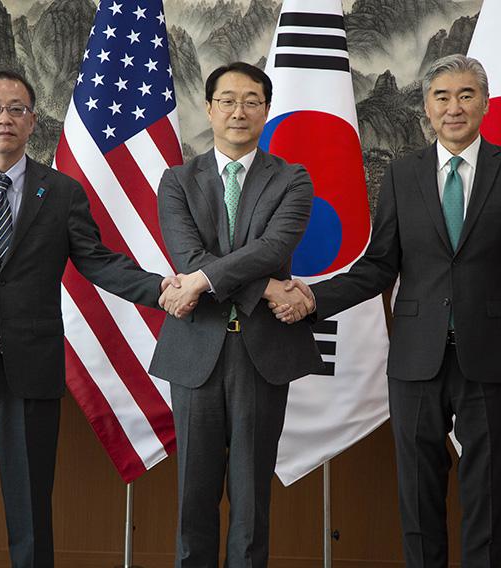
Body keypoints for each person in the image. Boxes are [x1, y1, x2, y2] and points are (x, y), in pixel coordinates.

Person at [274, 54, 501, 568]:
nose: (454, 107)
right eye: (442, 97)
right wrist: (314, 298)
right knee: (418, 503)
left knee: (485, 499)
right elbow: (379, 266)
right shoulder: (403, 174)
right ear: (426, 108)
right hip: (415, 362)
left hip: (490, 362)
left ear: (485, 103)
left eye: (466, 95)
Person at [0, 70, 177, 568]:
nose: (4, 118)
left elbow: (97, 260)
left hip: (31, 372)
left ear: (33, 121)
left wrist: (159, 289)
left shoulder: (61, 192)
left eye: (16, 108)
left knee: (31, 511)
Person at [150, 61, 323, 567]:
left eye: (251, 100)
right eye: (227, 100)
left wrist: (205, 282)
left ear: (266, 109)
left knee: (251, 497)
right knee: (193, 494)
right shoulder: (178, 179)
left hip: (261, 352)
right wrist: (266, 286)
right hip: (194, 351)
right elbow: (187, 256)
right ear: (208, 108)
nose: (239, 110)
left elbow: (274, 246)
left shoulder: (292, 178)